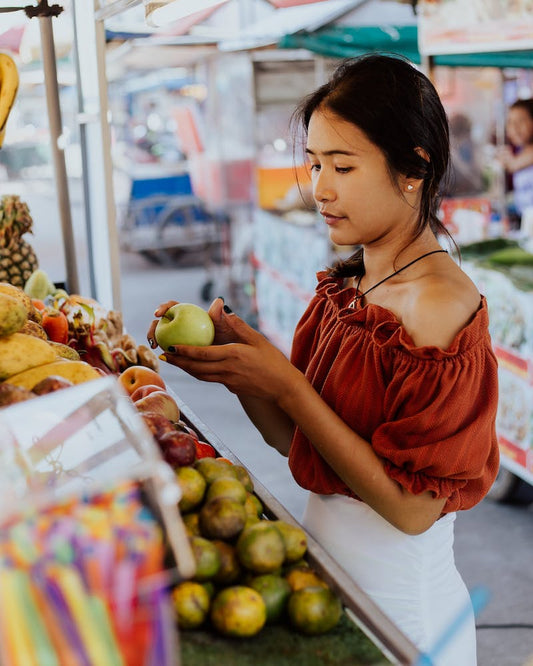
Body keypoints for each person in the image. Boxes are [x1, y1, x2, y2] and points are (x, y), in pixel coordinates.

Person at [147, 54, 499, 665]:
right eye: (313, 163)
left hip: (403, 617)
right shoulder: (352, 284)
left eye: (342, 165)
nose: (319, 188)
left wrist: (286, 384)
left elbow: (413, 511)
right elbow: (297, 441)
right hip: (332, 581)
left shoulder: (440, 306)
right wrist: (238, 367)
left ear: (413, 168)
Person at [499, 98, 533, 225]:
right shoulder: (520, 151)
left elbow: (514, 165)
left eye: (521, 121)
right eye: (510, 122)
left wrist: (507, 161)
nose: (514, 127)